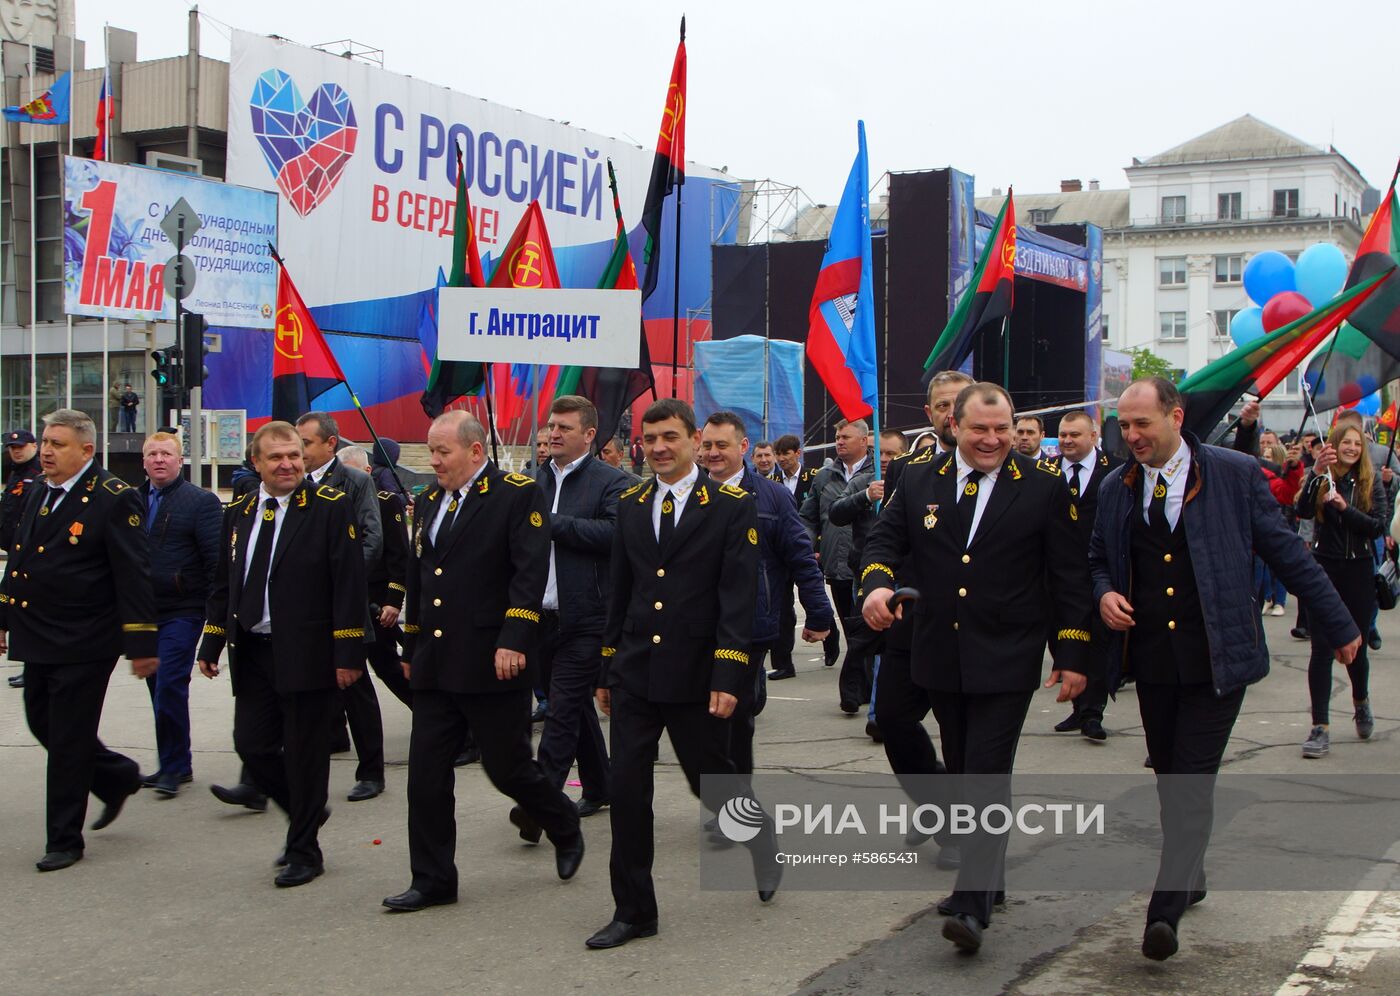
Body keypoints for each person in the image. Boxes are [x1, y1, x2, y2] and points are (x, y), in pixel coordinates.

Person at [1090, 378, 1359, 961]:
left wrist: (1339, 626)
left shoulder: (1233, 475)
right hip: (1154, 664)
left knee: (1190, 777)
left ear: (1176, 417)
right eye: (1125, 426)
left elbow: (1288, 553)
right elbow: (1096, 559)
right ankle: (1192, 874)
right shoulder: (1117, 486)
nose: (1132, 436)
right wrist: (1106, 592)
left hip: (1219, 659)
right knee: (1171, 777)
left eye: (1142, 424)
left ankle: (1164, 909)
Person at [861, 382, 1092, 954]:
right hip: (940, 653)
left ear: (1014, 430)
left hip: (1008, 655)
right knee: (965, 769)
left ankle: (970, 903)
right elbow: (882, 543)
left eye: (1002, 429)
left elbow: (1068, 577)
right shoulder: (917, 480)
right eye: (979, 429)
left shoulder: (1041, 488)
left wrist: (1073, 655)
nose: (992, 440)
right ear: (954, 428)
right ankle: (990, 880)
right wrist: (876, 586)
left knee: (986, 771)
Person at [586, 398, 778, 950]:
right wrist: (606, 664)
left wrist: (728, 674)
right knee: (626, 791)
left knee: (711, 781)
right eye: (650, 440)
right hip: (635, 673)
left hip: (697, 675)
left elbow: (736, 597)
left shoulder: (731, 505)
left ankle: (759, 840)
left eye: (670, 437)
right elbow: (620, 589)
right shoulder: (629, 502)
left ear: (695, 441)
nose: (660, 448)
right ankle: (634, 910)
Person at [385, 411, 582, 913]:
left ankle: (561, 820)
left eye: (441, 452)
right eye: (430, 452)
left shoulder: (516, 495)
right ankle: (432, 879)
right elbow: (418, 574)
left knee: (507, 767)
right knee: (425, 775)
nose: (433, 462)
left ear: (475, 452)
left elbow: (529, 570)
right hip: (435, 660)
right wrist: (409, 646)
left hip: (492, 659)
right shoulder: (429, 500)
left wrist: (515, 638)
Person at [198, 421, 368, 888]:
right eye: (276, 457)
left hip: (309, 652)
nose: (288, 464)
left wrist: (348, 653)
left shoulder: (331, 509)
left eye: (294, 455)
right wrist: (212, 641)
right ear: (256, 463)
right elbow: (224, 582)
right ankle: (305, 811)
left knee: (305, 755)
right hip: (252, 650)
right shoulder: (240, 509)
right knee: (251, 745)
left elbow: (349, 585)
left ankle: (304, 851)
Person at [0, 409, 158, 872]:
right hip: (38, 632)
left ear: (86, 450)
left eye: (58, 444)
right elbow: (21, 556)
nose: (46, 451)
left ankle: (64, 839)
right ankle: (117, 775)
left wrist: (142, 643)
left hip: (86, 638)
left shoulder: (113, 498)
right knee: (41, 723)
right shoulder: (38, 493)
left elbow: (134, 574)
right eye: (46, 442)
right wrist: (4, 614)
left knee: (68, 739)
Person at [698, 411, 831, 774]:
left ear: (742, 446)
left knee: (735, 714)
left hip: (749, 625)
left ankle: (736, 806)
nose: (713, 453)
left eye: (721, 445)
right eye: (707, 445)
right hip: (695, 622)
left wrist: (819, 614)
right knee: (704, 715)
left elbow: (801, 557)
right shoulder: (690, 493)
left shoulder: (772, 497)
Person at [533, 396, 628, 820]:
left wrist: (550, 524)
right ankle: (601, 784)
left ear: (589, 435)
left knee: (562, 707)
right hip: (540, 615)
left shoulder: (612, 481)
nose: (554, 433)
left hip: (588, 616)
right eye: (552, 426)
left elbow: (613, 534)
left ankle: (543, 803)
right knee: (571, 705)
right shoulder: (533, 481)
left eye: (564, 427)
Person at [296, 412, 384, 803]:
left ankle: (372, 771)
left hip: (342, 604)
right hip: (300, 607)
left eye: (306, 443)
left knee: (354, 686)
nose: (298, 452)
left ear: (330, 444)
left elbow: (372, 539)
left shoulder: (355, 482)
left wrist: (342, 585)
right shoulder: (292, 482)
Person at [137, 432, 222, 797]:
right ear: (144, 461)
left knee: (171, 681)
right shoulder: (131, 500)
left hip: (183, 608)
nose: (159, 460)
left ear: (180, 459)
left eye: (166, 454)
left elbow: (216, 560)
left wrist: (216, 614)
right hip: (142, 610)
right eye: (153, 454)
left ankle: (172, 767)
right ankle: (176, 762)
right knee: (157, 686)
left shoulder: (201, 502)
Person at [1294, 423, 1386, 758]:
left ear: (1362, 449)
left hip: (1359, 569)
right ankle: (1320, 728)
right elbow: (1301, 511)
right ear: (1333, 446)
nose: (1350, 448)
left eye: (1356, 444)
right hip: (1324, 569)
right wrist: (1316, 473)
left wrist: (1345, 509)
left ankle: (1360, 701)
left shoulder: (1370, 481)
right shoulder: (1322, 477)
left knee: (1356, 647)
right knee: (1321, 650)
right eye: (1344, 443)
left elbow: (1378, 526)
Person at [1047, 410, 1122, 741]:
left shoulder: (1118, 470)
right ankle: (1078, 708)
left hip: (1099, 571)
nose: (1067, 440)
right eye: (1063, 435)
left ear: (1093, 437)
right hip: (1058, 573)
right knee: (1062, 637)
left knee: (1097, 642)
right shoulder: (1046, 473)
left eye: (1075, 435)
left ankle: (1093, 712)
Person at [799, 419, 873, 690]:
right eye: (838, 436)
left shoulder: (879, 472)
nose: (839, 441)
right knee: (851, 627)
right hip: (836, 566)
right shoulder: (824, 476)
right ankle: (861, 681)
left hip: (868, 565)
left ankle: (860, 687)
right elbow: (808, 518)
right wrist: (805, 545)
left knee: (865, 629)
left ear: (864, 441)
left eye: (846, 437)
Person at [339, 446, 413, 709]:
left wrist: (394, 600)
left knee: (385, 663)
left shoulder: (385, 502)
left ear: (367, 471)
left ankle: (428, 711)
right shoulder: (335, 502)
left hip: (378, 597)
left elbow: (399, 556)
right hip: (348, 597)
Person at [767, 433, 817, 678]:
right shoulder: (772, 481)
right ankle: (783, 663)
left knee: (812, 597)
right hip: (780, 552)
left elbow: (818, 514)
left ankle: (829, 638)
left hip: (806, 548)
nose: (781, 459)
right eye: (779, 454)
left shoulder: (814, 478)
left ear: (798, 453)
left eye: (786, 453)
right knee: (783, 608)